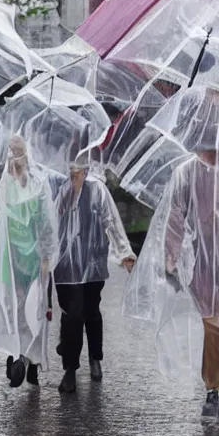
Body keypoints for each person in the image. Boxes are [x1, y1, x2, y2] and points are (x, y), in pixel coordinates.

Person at [124, 88, 219, 430]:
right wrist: (170, 258)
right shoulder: (187, 173)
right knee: (213, 330)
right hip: (205, 268)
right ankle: (215, 388)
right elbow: (175, 217)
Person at [53, 148, 136, 393]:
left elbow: (111, 221)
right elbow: (50, 220)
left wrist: (125, 253)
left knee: (90, 311)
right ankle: (70, 368)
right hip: (65, 267)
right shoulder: (60, 187)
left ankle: (95, 356)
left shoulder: (97, 189)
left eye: (78, 169)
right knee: (72, 315)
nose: (74, 173)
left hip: (92, 263)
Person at [0, 135, 59, 389]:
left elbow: (46, 223)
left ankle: (33, 361)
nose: (14, 158)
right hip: (11, 258)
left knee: (35, 313)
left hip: (34, 259)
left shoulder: (38, 184)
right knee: (15, 308)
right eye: (11, 153)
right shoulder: (1, 184)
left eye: (17, 152)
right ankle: (18, 355)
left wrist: (47, 257)